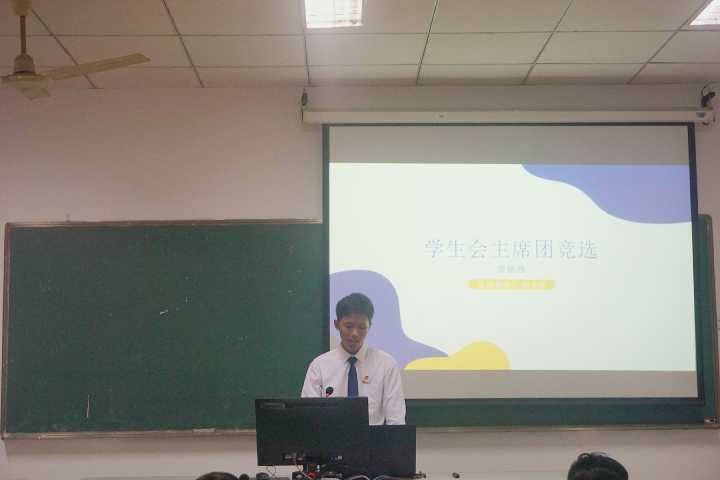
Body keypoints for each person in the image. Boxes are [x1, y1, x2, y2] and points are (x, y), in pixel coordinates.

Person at [301, 292, 406, 425]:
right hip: (331, 436)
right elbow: (309, 417)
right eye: (349, 326)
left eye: (362, 327)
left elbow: (396, 420)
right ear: (336, 324)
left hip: (373, 437)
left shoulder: (386, 364)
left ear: (369, 326)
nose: (355, 333)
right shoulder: (319, 366)